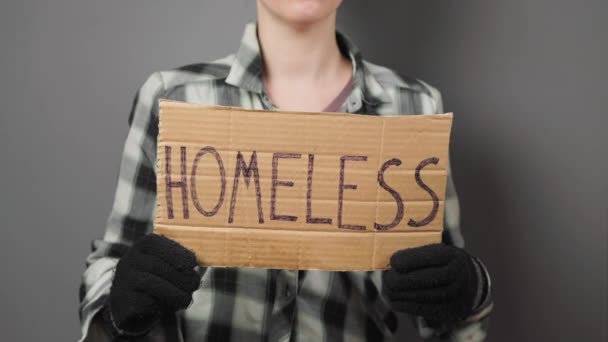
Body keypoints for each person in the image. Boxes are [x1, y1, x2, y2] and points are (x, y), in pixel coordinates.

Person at [79, 1, 493, 341]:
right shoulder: (173, 98)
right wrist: (119, 299)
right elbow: (108, 268)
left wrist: (468, 288)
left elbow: (451, 314)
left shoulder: (415, 106)